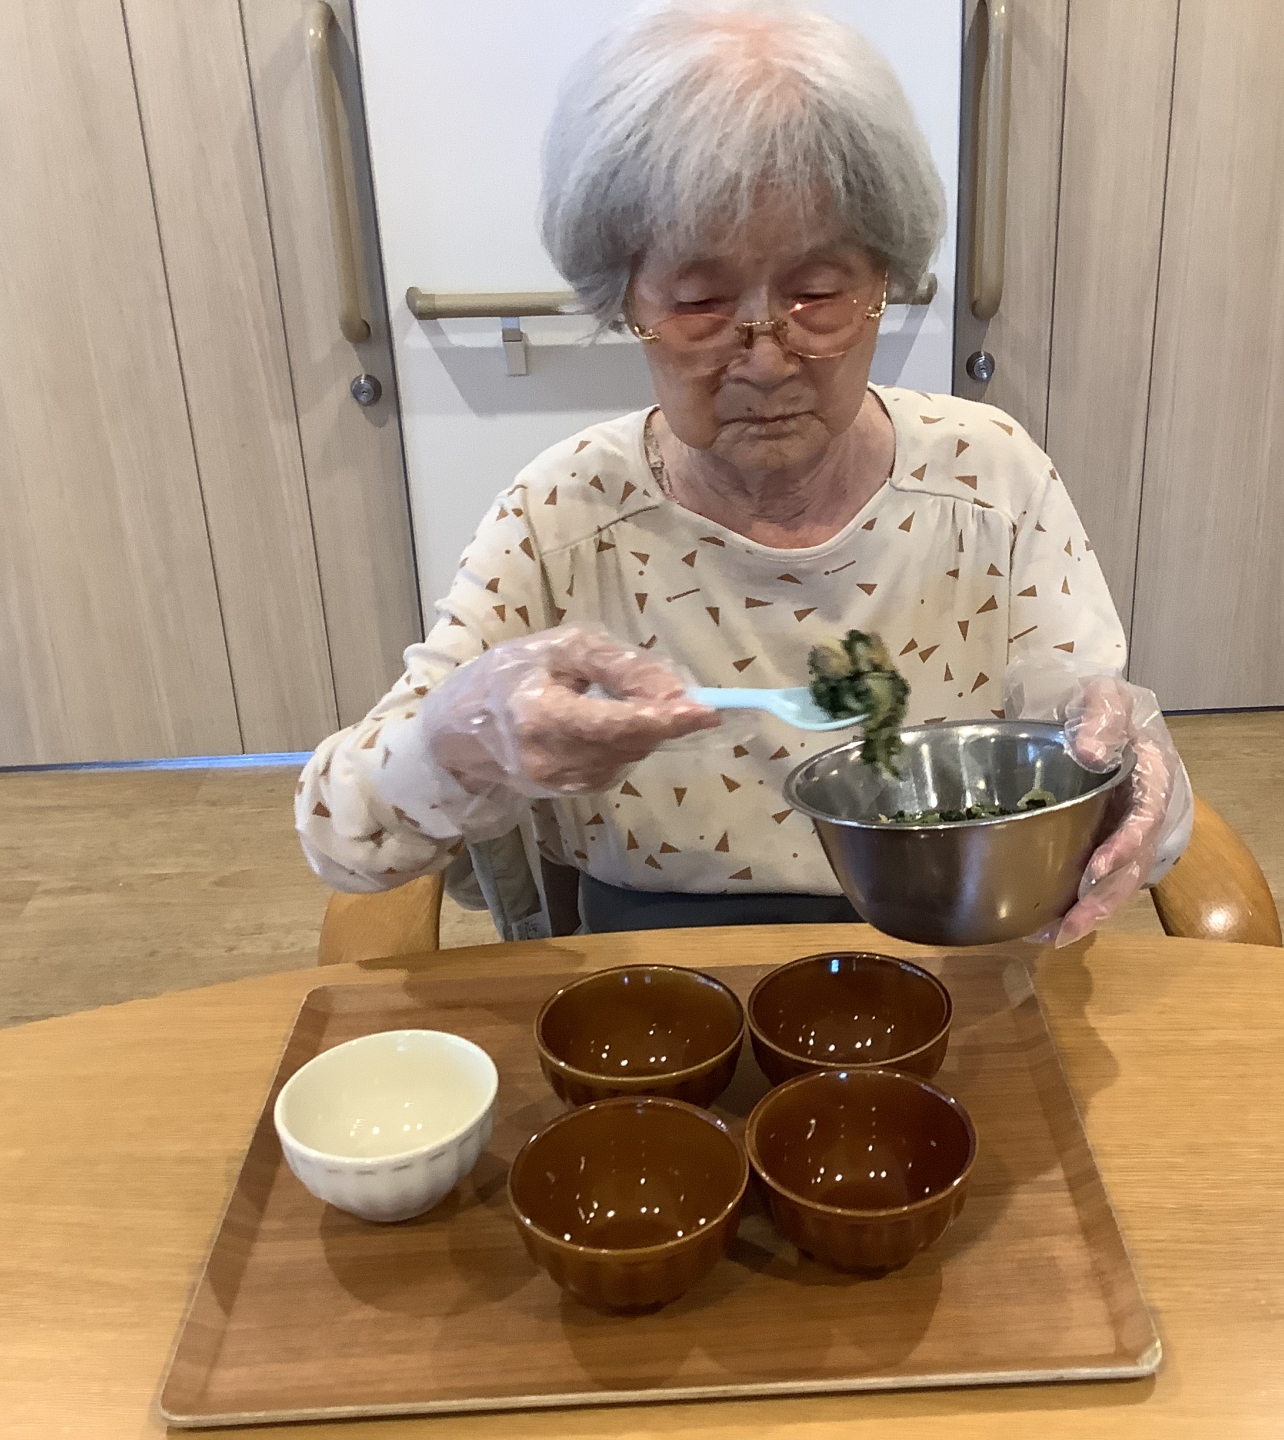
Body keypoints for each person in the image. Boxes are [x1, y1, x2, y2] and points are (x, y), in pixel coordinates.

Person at [296, 0, 1191, 945]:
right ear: (625, 301)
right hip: (658, 984)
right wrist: (456, 739)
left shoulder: (988, 478)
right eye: (700, 301)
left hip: (952, 952)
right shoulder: (563, 515)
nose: (766, 359)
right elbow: (340, 838)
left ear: (884, 281)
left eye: (817, 292)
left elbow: (1116, 772)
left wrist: (1127, 780)